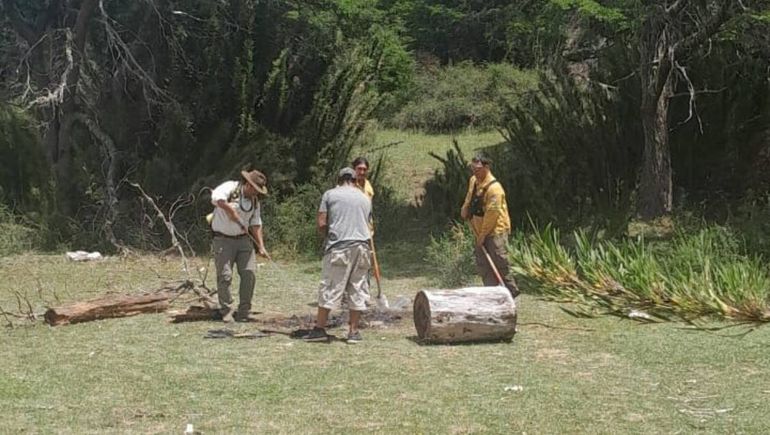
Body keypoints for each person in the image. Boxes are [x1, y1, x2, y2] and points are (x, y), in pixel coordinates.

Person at [305, 167, 372, 344]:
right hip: (363, 247)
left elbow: (321, 223)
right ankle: (353, 332)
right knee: (358, 288)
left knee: (330, 286)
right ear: (355, 180)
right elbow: (368, 223)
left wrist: (327, 237)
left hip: (339, 247)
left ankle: (319, 328)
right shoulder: (365, 198)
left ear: (339, 179)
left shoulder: (330, 195)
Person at [209, 169, 270, 323]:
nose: (256, 194)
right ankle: (226, 310)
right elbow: (216, 199)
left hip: (244, 240)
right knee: (225, 276)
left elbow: (256, 224)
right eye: (255, 190)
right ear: (248, 185)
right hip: (222, 239)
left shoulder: (255, 202)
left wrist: (261, 246)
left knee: (249, 273)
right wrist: (232, 212)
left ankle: (244, 311)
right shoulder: (230, 187)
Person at [460, 154, 519, 298]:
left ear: (487, 167)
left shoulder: (495, 189)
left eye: (478, 169)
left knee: (500, 263)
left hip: (495, 231)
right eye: (472, 169)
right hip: (479, 230)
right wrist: (465, 209)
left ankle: (511, 293)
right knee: (483, 264)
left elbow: (492, 215)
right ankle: (492, 294)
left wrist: (482, 236)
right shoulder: (474, 181)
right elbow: (470, 196)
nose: (475, 172)